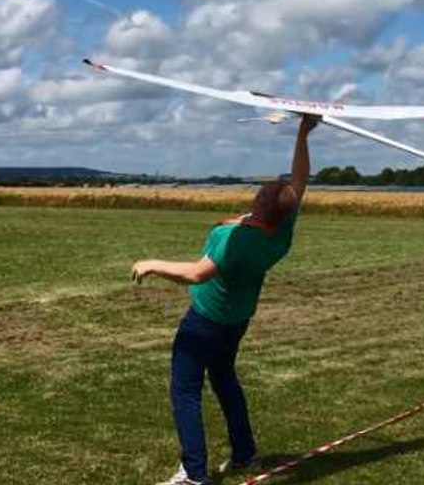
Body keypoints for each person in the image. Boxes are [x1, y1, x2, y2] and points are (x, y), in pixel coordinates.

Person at [132, 114, 319, 485]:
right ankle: (245, 454)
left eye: (261, 194)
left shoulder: (233, 240)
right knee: (224, 380)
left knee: (185, 389)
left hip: (205, 321)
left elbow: (196, 274)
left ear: (261, 207)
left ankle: (194, 472)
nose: (260, 192)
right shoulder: (281, 231)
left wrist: (152, 263)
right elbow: (299, 179)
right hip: (237, 321)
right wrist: (303, 131)